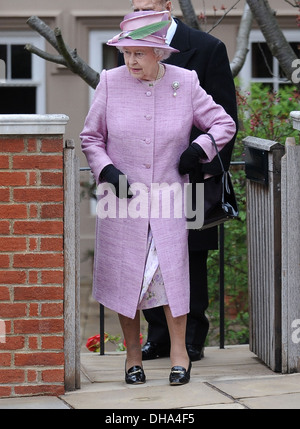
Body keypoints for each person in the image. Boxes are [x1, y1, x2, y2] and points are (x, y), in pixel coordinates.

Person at [80, 10, 236, 386]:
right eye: (125, 53)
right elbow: (90, 138)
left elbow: (223, 123)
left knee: (170, 278)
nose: (130, 61)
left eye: (138, 53)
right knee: (126, 280)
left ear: (159, 53)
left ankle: (180, 355)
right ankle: (133, 358)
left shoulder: (185, 81)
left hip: (169, 197)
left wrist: (199, 149)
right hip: (121, 200)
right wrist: (107, 170)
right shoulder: (110, 82)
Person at [129, 0, 238, 362]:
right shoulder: (132, 47)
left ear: (167, 5)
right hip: (146, 178)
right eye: (135, 6)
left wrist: (201, 159)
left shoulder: (208, 49)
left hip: (191, 177)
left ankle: (191, 339)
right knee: (148, 255)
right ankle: (158, 338)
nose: (141, 12)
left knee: (189, 257)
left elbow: (224, 116)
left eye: (147, 6)